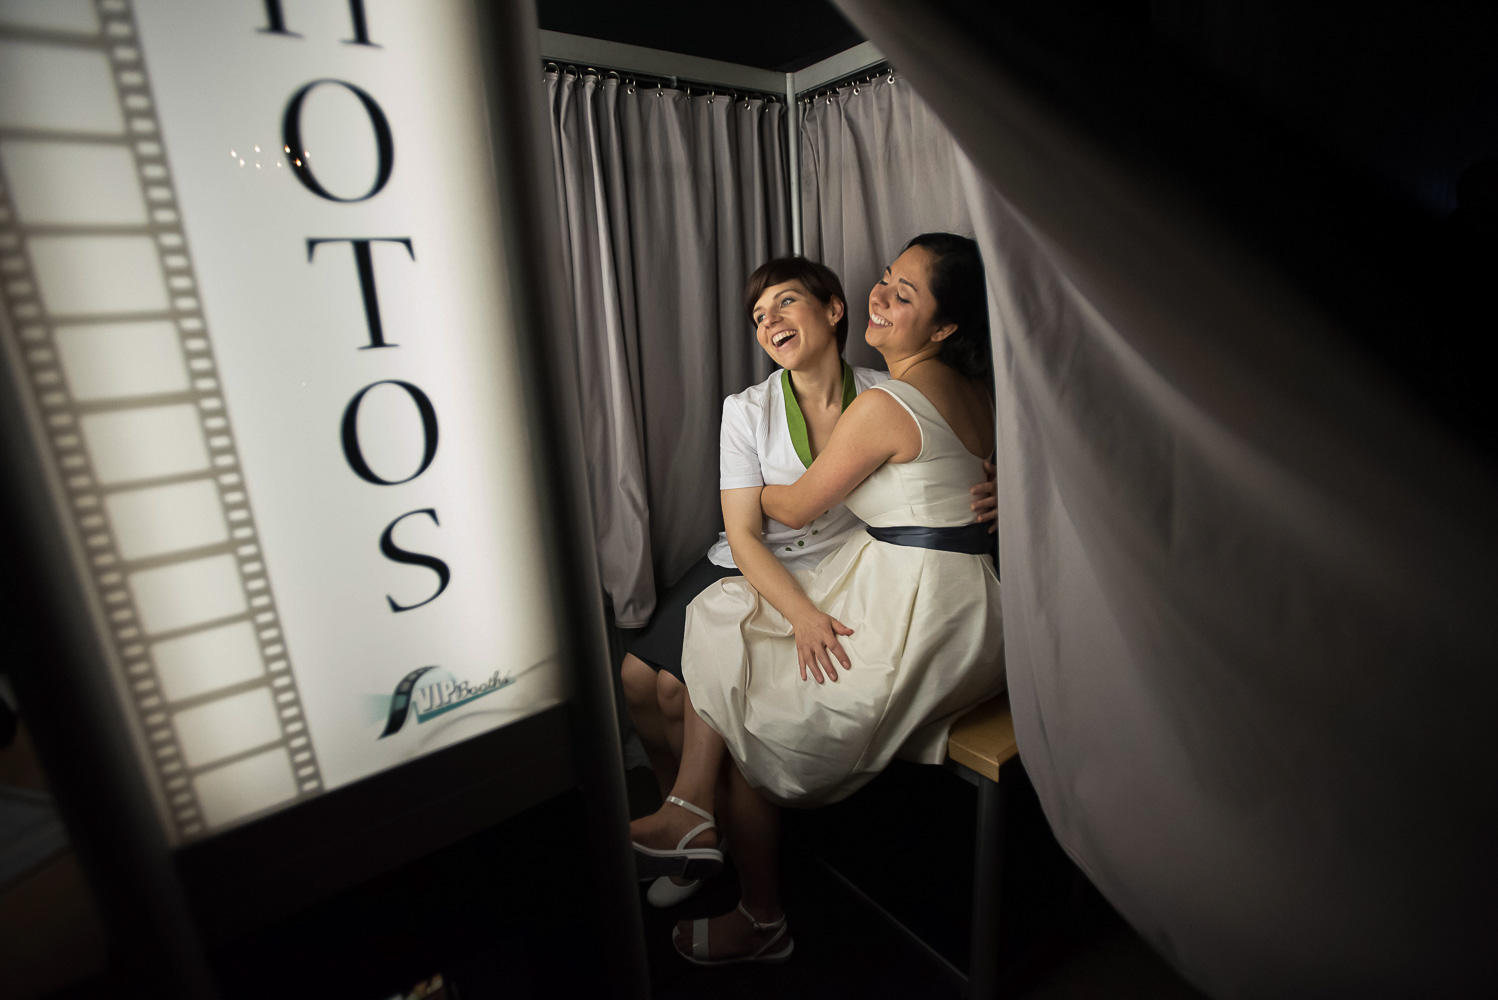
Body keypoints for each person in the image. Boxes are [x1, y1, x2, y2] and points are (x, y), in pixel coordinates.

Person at [629, 233, 1005, 964]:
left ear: (944, 327)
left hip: (916, 600)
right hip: (968, 600)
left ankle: (757, 910)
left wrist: (750, 492)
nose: (880, 294)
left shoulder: (882, 398)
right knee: (699, 639)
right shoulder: (975, 390)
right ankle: (691, 813)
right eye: (886, 278)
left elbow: (798, 506)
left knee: (745, 697)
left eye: (904, 293)